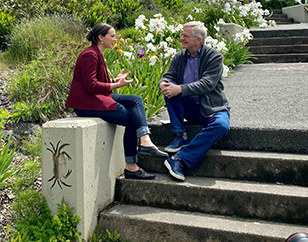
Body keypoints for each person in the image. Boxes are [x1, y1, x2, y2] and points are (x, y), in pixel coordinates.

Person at [66, 22, 168, 180]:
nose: (115, 39)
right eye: (112, 36)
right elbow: (91, 86)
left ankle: (145, 142)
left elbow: (97, 82)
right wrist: (116, 84)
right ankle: (132, 166)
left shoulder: (97, 53)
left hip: (95, 98)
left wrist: (115, 79)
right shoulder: (89, 55)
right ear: (101, 37)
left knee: (136, 100)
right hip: (86, 103)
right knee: (133, 119)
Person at [159, 21, 230, 182]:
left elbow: (208, 84)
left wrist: (181, 89)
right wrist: (163, 83)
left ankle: (179, 158)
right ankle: (180, 134)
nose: (182, 38)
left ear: (198, 40)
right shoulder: (179, 57)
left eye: (186, 36)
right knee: (170, 87)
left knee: (222, 125)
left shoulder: (214, 57)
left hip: (212, 107)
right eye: (182, 35)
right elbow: (168, 76)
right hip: (189, 108)